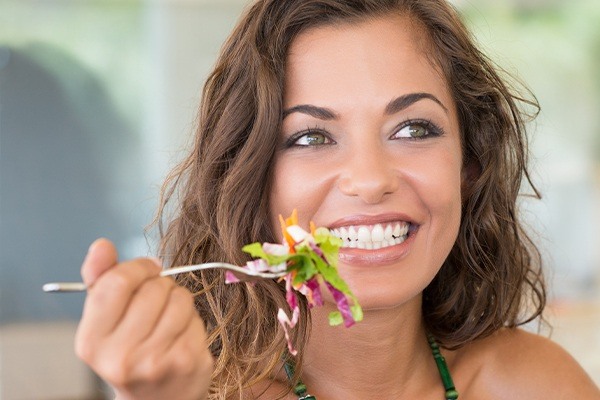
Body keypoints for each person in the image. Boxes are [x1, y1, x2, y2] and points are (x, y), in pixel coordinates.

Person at [75, 0, 600, 399]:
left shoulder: (537, 383)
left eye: (414, 129)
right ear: (251, 177)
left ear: (469, 165)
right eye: (310, 138)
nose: (370, 180)